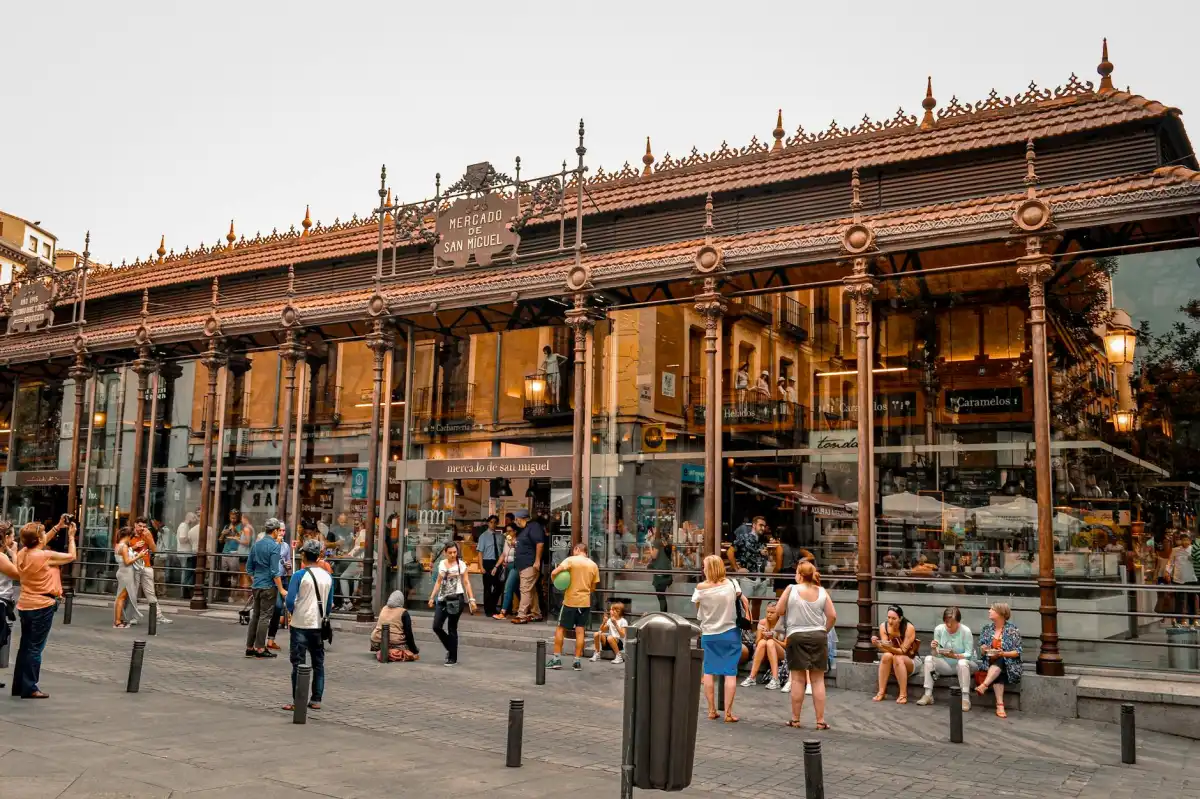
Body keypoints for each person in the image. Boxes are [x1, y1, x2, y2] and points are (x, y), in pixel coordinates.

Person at [12, 520, 76, 698]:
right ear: (39, 538)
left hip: (25, 604)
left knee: (25, 646)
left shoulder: (22, 553)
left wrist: (57, 527)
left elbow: (38, 542)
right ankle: (30, 687)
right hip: (42, 605)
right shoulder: (44, 556)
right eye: (43, 533)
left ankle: (19, 685)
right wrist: (71, 537)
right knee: (35, 648)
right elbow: (71, 556)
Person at [775, 561, 836, 729]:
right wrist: (824, 631)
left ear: (799, 575)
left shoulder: (791, 589)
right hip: (818, 636)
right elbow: (832, 616)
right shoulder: (822, 592)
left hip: (796, 635)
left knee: (797, 679)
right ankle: (820, 720)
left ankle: (795, 719)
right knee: (817, 680)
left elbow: (779, 610)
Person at [692, 554, 748, 723]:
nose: (702, 569)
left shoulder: (701, 587)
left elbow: (697, 605)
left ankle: (711, 710)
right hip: (730, 631)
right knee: (730, 672)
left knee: (709, 671)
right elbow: (743, 600)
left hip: (709, 633)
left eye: (704, 566)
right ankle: (728, 713)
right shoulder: (732, 584)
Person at [283, 539, 333, 712]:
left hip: (300, 623)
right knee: (318, 663)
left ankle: (299, 699)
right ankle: (316, 699)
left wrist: (291, 611)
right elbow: (329, 604)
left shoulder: (299, 575)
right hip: (318, 624)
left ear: (304, 555)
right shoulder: (327, 577)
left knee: (298, 663)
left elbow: (290, 600)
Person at [547, 542, 599, 671]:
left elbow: (554, 572)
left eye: (573, 550)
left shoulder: (570, 560)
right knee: (580, 631)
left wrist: (557, 583)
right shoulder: (593, 565)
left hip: (570, 601)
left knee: (560, 629)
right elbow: (593, 587)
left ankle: (556, 659)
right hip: (585, 602)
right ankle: (576, 661)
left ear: (577, 549)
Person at [917, 606, 978, 711]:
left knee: (962, 663)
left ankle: (965, 698)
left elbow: (969, 654)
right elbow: (936, 654)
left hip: (965, 665)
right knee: (928, 659)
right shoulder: (939, 629)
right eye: (946, 622)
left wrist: (955, 656)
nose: (949, 625)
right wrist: (934, 648)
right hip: (946, 664)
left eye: (952, 622)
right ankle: (928, 694)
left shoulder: (965, 631)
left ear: (958, 621)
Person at [428, 541, 477, 665]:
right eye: (450, 552)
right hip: (442, 599)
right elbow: (438, 582)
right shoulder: (441, 564)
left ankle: (452, 657)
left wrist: (472, 600)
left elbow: (466, 582)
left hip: (456, 599)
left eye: (455, 552)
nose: (453, 555)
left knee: (452, 628)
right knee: (436, 626)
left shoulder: (461, 565)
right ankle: (451, 648)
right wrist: (432, 597)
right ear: (445, 553)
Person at [244, 518, 286, 659]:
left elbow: (249, 567)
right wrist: (281, 589)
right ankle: (260, 648)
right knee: (264, 617)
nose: (279, 532)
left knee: (255, 616)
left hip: (257, 585)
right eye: (278, 530)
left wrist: (255, 580)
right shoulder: (274, 546)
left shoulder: (257, 545)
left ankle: (250, 647)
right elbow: (275, 571)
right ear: (274, 531)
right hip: (268, 585)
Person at [975, 602, 1023, 718]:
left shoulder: (1012, 629)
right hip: (989, 663)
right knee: (998, 667)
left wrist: (1003, 653)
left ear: (1001, 613)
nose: (989, 611)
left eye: (992, 609)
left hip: (1009, 665)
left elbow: (1017, 652)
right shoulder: (986, 629)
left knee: (1001, 661)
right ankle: (1000, 705)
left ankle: (984, 686)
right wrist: (983, 649)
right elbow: (981, 652)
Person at [728, 515, 771, 621]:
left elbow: (765, 557)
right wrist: (736, 569)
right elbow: (730, 552)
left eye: (764, 526)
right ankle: (745, 630)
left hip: (761, 577)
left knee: (757, 605)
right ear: (754, 525)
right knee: (745, 605)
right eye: (760, 525)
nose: (762, 528)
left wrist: (766, 555)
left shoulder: (763, 540)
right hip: (747, 577)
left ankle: (755, 629)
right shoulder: (743, 538)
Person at [872, 604, 918, 703]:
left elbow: (903, 651)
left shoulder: (908, 628)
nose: (890, 621)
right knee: (886, 656)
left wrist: (888, 647)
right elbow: (886, 650)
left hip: (911, 659)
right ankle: (881, 692)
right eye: (889, 617)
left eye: (894, 618)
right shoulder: (883, 626)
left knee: (898, 657)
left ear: (900, 618)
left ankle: (903, 695)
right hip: (893, 660)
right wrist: (878, 644)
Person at [130, 518, 171, 624]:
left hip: (146, 566)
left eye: (144, 526)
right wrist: (135, 546)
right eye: (140, 526)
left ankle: (158, 615)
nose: (142, 529)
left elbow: (155, 549)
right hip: (134, 566)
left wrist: (149, 538)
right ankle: (134, 616)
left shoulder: (146, 534)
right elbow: (122, 549)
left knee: (150, 592)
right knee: (133, 592)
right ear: (135, 525)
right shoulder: (129, 535)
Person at [510, 509, 545, 624]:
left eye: (516, 519)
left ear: (521, 518)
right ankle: (536, 613)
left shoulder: (534, 527)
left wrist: (537, 561)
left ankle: (522, 615)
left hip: (529, 564)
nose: (515, 522)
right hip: (523, 565)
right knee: (531, 590)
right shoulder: (524, 529)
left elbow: (540, 544)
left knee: (524, 589)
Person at [741, 602, 786, 690]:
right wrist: (762, 635)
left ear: (778, 614)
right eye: (767, 612)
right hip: (765, 651)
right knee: (762, 642)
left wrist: (773, 638)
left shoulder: (784, 624)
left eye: (772, 613)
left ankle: (775, 679)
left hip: (781, 653)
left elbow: (786, 645)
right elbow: (757, 643)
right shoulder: (762, 622)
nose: (769, 615)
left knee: (770, 642)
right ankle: (752, 677)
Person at [265, 523, 293, 652]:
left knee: (281, 608)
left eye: (283, 530)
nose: (282, 532)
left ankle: (271, 640)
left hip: (282, 578)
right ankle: (264, 639)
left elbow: (287, 563)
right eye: (280, 530)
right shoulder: (271, 545)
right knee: (276, 608)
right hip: (272, 580)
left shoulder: (286, 546)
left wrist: (288, 567)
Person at [372, 590, 420, 662]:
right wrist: (414, 650)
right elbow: (408, 634)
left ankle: (383, 650)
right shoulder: (403, 612)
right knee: (407, 649)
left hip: (375, 641)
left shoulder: (384, 608)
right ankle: (390, 652)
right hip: (394, 642)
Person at [112, 528, 143, 628]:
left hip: (122, 572)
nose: (131, 539)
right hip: (126, 573)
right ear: (128, 536)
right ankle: (117, 621)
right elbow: (127, 562)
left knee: (120, 596)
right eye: (131, 537)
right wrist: (139, 556)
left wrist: (133, 550)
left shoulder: (118, 545)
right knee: (121, 597)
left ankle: (119, 619)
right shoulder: (124, 546)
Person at [477, 515, 506, 618]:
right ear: (488, 523)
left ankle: (492, 606)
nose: (493, 524)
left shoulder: (501, 537)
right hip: (487, 562)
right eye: (491, 522)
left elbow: (503, 551)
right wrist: (481, 566)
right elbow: (480, 553)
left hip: (497, 563)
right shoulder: (483, 536)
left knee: (499, 586)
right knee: (488, 587)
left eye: (495, 522)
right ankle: (488, 610)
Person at [1167, 532, 1198, 627]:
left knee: (1191, 600)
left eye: (1187, 540)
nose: (1185, 542)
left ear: (1190, 541)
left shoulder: (1194, 550)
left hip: (1191, 578)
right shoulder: (1175, 550)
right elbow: (1170, 562)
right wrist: (1167, 572)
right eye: (1183, 540)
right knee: (1179, 600)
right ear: (1180, 541)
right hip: (1178, 578)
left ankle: (1193, 621)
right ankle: (1179, 620)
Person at [0, 523, 17, 689]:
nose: (14, 539)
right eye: (12, 536)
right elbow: (18, 573)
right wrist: (15, 554)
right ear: (5, 538)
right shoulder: (1, 557)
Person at [217, 509, 242, 602]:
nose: (233, 519)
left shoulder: (241, 526)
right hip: (225, 552)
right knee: (224, 574)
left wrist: (235, 530)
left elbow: (243, 538)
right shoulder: (226, 526)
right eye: (231, 516)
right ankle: (223, 595)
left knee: (234, 575)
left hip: (234, 552)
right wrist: (223, 534)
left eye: (235, 517)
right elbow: (220, 541)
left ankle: (232, 595)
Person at [494, 525, 518, 619]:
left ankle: (503, 612)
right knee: (515, 588)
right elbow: (503, 554)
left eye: (510, 531)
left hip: (515, 565)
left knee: (508, 587)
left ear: (515, 531)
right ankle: (527, 608)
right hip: (507, 565)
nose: (508, 533)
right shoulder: (506, 541)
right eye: (506, 531)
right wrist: (496, 566)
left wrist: (513, 544)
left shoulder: (518, 541)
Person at [175, 511, 198, 599]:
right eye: (193, 518)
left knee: (186, 572)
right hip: (185, 552)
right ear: (189, 518)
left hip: (184, 552)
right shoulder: (184, 526)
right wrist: (190, 537)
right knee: (186, 572)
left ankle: (185, 591)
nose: (195, 520)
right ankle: (184, 592)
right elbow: (182, 539)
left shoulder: (184, 526)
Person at [773, 525, 802, 596]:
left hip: (783, 577)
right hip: (795, 575)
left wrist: (772, 574)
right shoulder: (797, 548)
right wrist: (800, 562)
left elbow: (778, 567)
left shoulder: (781, 547)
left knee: (781, 601)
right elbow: (810, 556)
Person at [648, 535, 673, 613]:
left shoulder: (657, 541)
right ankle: (664, 615)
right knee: (662, 596)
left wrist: (649, 544)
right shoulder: (667, 541)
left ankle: (663, 615)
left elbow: (654, 556)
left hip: (660, 574)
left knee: (661, 597)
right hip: (667, 572)